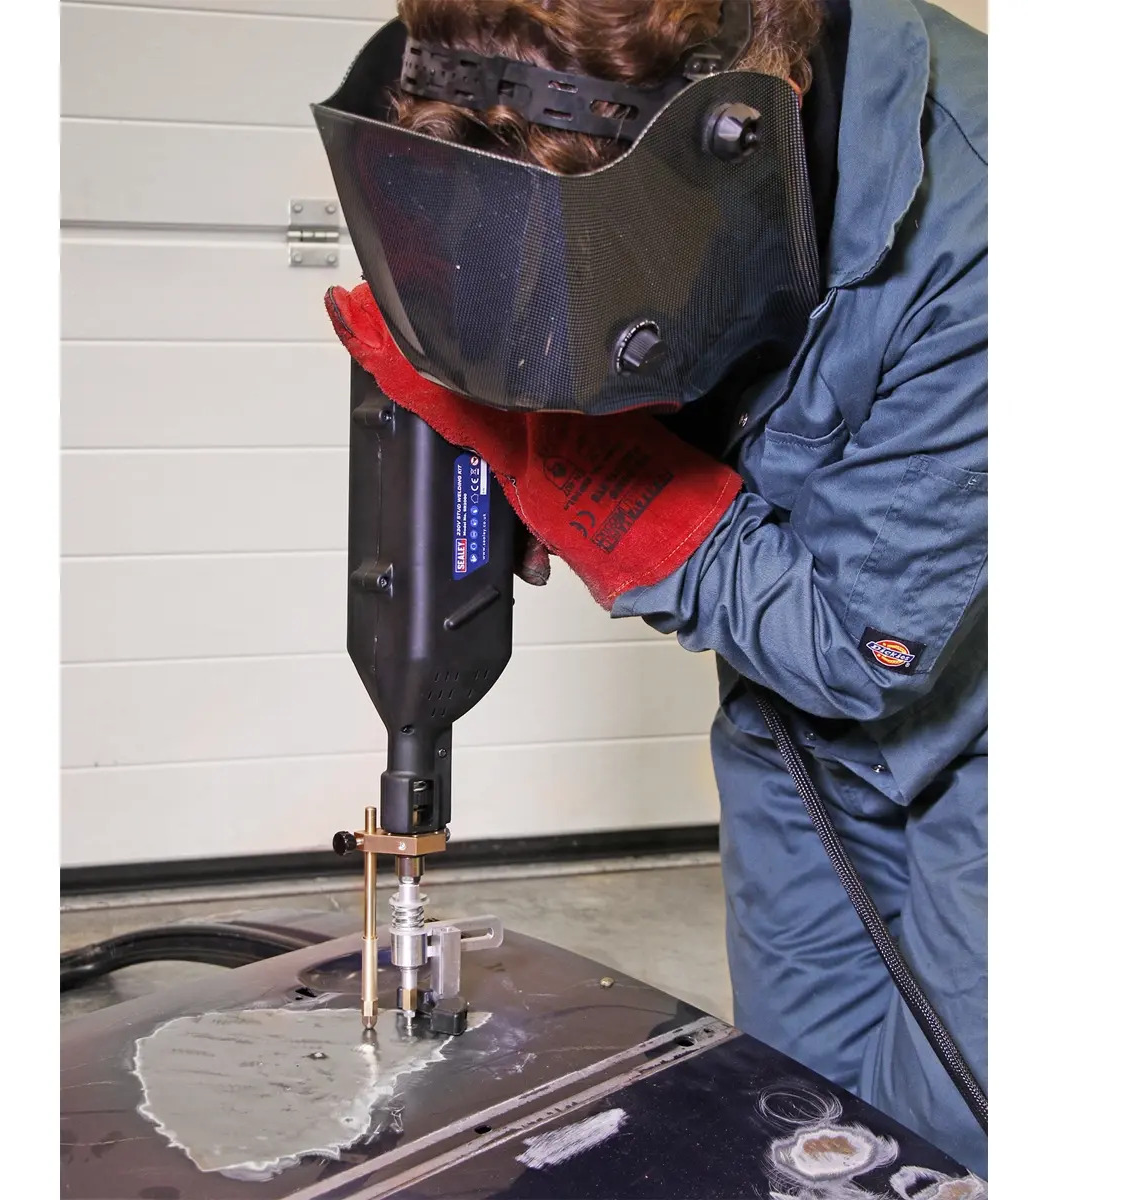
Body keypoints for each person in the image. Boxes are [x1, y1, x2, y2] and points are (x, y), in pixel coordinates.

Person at [325, 0, 987, 1176]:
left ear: (751, 114)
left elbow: (862, 643)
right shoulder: (580, 125)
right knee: (797, 1125)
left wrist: (571, 467)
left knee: (961, 1140)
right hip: (793, 727)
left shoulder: (992, 221)